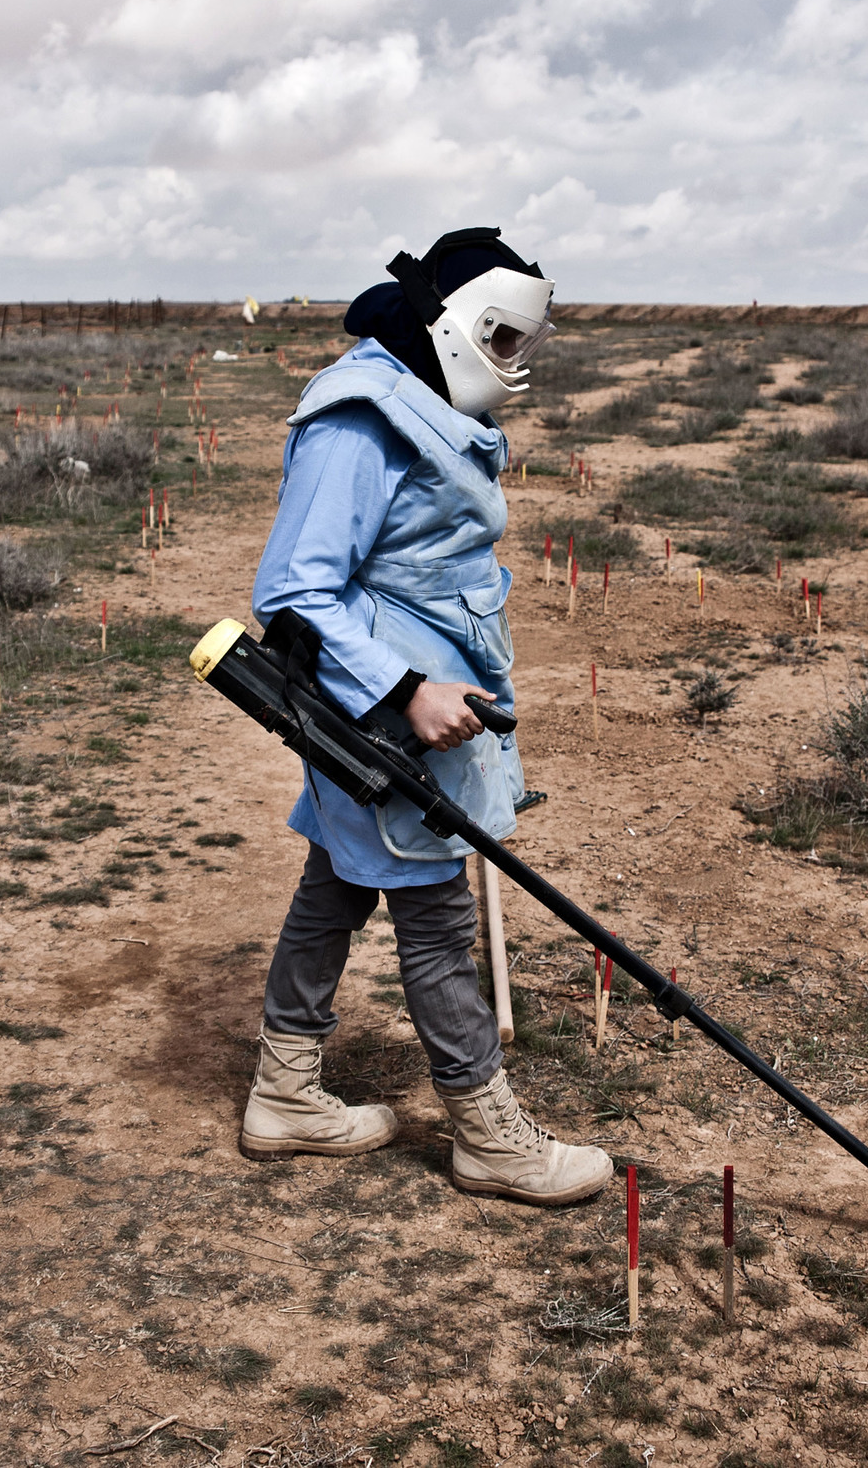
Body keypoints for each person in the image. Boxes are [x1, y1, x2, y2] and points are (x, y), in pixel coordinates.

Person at [239, 227, 610, 1207]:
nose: (513, 366)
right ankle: (489, 1135)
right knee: (437, 918)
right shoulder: (359, 419)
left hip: (417, 709)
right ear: (453, 322)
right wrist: (407, 690)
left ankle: (283, 1093)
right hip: (385, 717)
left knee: (337, 884)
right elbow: (291, 591)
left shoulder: (417, 398)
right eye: (504, 341)